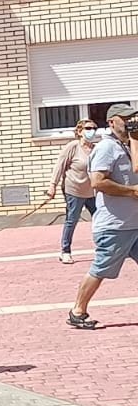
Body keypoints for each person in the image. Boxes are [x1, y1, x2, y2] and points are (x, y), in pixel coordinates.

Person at [68, 104, 138, 329]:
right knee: (101, 269)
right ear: (111, 122)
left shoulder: (126, 145)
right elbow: (98, 182)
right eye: (125, 119)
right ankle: (77, 311)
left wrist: (135, 140)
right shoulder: (107, 148)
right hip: (115, 226)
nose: (130, 122)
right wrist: (132, 191)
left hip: (134, 223)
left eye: (133, 118)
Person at [48, 119, 101, 264]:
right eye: (88, 128)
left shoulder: (96, 148)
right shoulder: (72, 147)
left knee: (100, 220)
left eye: (94, 128)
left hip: (92, 192)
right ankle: (65, 251)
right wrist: (52, 185)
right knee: (72, 220)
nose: (92, 131)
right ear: (79, 131)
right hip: (74, 190)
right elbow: (60, 166)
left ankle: (103, 248)